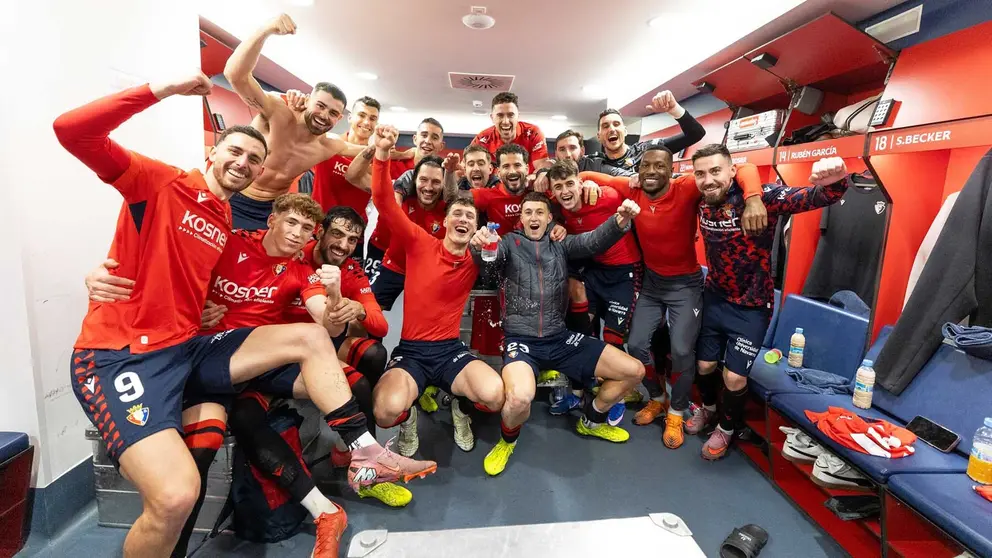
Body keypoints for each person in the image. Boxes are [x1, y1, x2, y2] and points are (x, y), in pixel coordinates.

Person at [55, 76, 433, 558]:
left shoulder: (229, 223)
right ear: (213, 153)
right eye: (235, 152)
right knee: (176, 493)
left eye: (255, 159)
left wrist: (338, 306)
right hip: (124, 357)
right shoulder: (162, 184)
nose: (245, 164)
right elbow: (72, 132)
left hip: (189, 349)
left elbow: (325, 315)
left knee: (311, 342)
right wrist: (161, 90)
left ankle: (365, 453)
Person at [577, 146, 766, 448]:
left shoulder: (686, 186)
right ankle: (657, 398)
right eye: (646, 166)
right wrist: (586, 183)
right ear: (638, 170)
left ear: (671, 170)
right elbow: (586, 173)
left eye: (659, 166)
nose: (651, 171)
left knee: (681, 351)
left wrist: (754, 198)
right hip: (652, 284)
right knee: (636, 345)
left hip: (685, 286)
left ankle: (677, 411)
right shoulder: (632, 186)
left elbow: (744, 168)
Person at [690, 145, 849, 460]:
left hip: (752, 304)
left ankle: (726, 428)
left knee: (734, 377)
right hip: (714, 297)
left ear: (732, 171)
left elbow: (816, 197)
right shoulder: (700, 200)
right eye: (701, 173)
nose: (708, 179)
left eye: (716, 171)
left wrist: (836, 182)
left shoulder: (764, 198)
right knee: (704, 365)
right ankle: (708, 409)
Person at [475, 191, 645, 475]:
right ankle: (507, 441)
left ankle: (591, 422)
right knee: (518, 399)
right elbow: (489, 267)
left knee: (634, 370)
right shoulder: (508, 242)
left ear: (549, 217)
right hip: (521, 340)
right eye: (528, 212)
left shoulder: (561, 244)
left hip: (560, 337)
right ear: (521, 218)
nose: (533, 217)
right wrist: (479, 247)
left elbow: (594, 240)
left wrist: (620, 219)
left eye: (539, 212)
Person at [367, 124, 506, 458]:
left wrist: (490, 250)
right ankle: (410, 415)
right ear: (444, 221)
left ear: (475, 227)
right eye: (456, 213)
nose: (462, 219)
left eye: (469, 217)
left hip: (449, 352)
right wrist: (383, 154)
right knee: (385, 410)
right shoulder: (418, 242)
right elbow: (384, 201)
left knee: (495, 395)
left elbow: (497, 266)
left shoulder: (476, 257)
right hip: (412, 351)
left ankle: (460, 409)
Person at [223, 14, 374, 229]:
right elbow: (235, 75)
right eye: (320, 106)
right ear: (308, 101)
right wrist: (265, 30)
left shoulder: (328, 145)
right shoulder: (277, 112)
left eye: (332, 113)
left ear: (339, 118)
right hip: (235, 197)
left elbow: (365, 149)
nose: (324, 116)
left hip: (273, 211)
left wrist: (404, 151)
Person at [349, 118, 446, 283]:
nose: (428, 141)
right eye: (424, 135)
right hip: (382, 247)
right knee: (372, 301)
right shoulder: (390, 162)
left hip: (421, 252)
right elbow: (353, 176)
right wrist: (378, 148)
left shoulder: (445, 175)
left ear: (441, 145)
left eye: (434, 137)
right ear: (415, 139)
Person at [586, 91, 705, 172]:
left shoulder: (646, 150)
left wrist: (675, 110)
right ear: (599, 136)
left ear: (625, 131)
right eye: (605, 126)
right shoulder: (592, 164)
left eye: (616, 124)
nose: (612, 129)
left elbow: (696, 134)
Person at [472, 92, 550, 173]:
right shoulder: (482, 139)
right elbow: (469, 166)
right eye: (500, 115)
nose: (505, 121)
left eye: (510, 115)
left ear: (518, 116)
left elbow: (541, 169)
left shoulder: (533, 133)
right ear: (492, 118)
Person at [554, 129, 633, 177]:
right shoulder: (551, 172)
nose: (568, 154)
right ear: (556, 154)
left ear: (582, 151)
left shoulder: (595, 166)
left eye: (572, 148)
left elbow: (625, 175)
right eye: (562, 149)